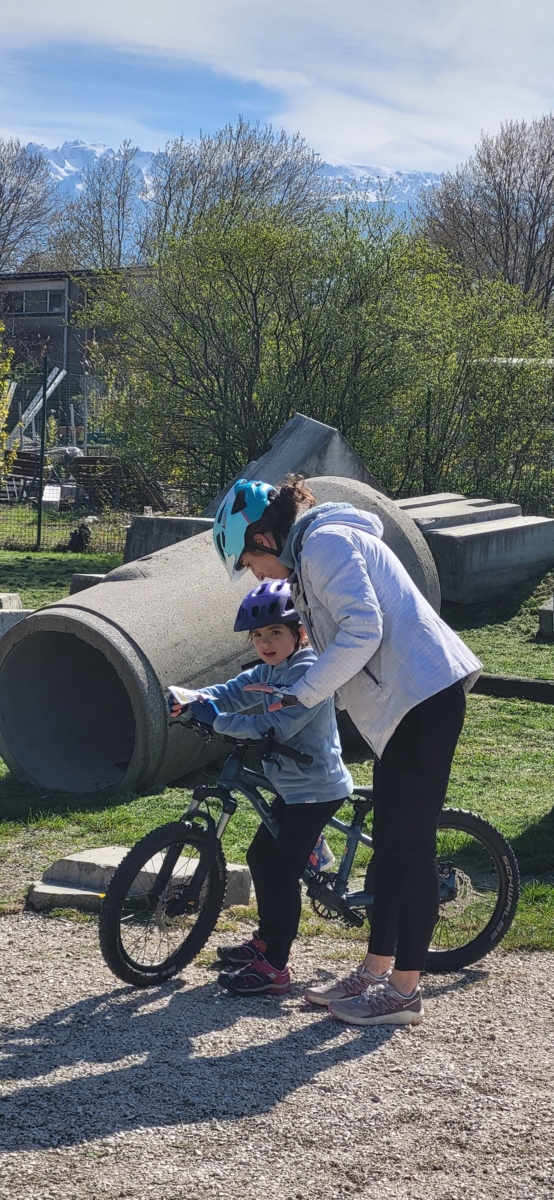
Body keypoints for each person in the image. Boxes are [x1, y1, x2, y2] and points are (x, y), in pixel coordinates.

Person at [212, 476, 482, 1026]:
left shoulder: (325, 543)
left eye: (248, 562)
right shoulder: (311, 552)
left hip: (423, 696)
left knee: (409, 850)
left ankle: (404, 992)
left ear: (263, 539)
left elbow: (362, 630)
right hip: (404, 705)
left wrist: (302, 691)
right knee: (390, 847)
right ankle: (374, 970)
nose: (255, 574)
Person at [168, 579, 353, 997]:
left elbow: (277, 725)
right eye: (257, 635)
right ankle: (266, 941)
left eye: (275, 632)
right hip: (292, 787)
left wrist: (218, 720)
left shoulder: (308, 671)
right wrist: (192, 697)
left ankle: (275, 968)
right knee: (260, 857)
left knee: (282, 871)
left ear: (299, 633)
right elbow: (231, 692)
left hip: (317, 788)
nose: (265, 643)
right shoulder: (269, 669)